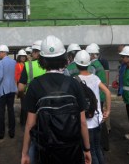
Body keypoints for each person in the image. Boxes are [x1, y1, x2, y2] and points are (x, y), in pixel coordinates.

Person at [21, 35, 91, 164]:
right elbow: (82, 122)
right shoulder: (74, 83)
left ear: (42, 59)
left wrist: (25, 153)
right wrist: (87, 149)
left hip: (47, 151)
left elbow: (30, 124)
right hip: (72, 150)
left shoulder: (35, 85)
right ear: (63, 58)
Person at [75, 49, 111, 164]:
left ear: (76, 64)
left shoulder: (75, 81)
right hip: (97, 119)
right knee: (97, 148)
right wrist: (108, 111)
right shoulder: (95, 78)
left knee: (90, 151)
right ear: (88, 64)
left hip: (86, 122)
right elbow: (108, 92)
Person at [86, 43, 110, 151]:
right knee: (100, 119)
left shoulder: (93, 66)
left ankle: (100, 143)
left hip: (96, 97)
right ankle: (104, 144)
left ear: (91, 55)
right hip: (100, 95)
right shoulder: (99, 64)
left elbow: (90, 82)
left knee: (96, 120)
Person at [17, 40, 45, 126]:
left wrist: (22, 95)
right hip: (46, 102)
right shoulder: (49, 65)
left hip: (30, 101)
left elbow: (21, 88)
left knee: (30, 127)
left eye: (32, 51)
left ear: (36, 52)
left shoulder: (28, 65)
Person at [0, 44, 17, 139]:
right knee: (11, 110)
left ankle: (1, 133)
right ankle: (12, 132)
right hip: (12, 89)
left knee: (1, 112)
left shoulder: (0, 63)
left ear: (3, 52)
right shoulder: (14, 62)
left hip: (3, 90)